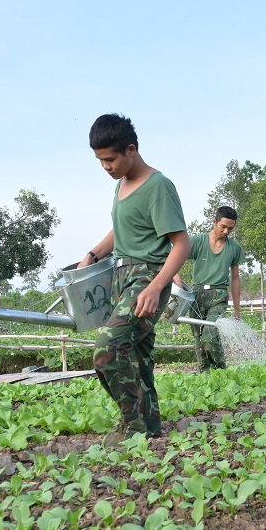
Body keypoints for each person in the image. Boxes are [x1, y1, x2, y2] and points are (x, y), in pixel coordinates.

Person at [80, 114, 190, 446]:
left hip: (147, 277)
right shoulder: (122, 185)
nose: (105, 167)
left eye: (110, 159)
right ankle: (151, 429)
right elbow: (123, 229)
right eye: (99, 160)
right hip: (122, 275)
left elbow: (181, 243)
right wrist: (94, 254)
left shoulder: (158, 186)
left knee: (108, 348)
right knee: (138, 356)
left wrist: (157, 287)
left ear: (131, 150)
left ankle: (132, 424)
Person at [176, 206, 244, 371]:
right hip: (196, 294)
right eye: (223, 226)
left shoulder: (234, 248)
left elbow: (235, 279)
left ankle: (221, 370)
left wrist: (237, 309)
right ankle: (205, 373)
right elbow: (175, 256)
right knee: (199, 338)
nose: (227, 231)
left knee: (209, 334)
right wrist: (176, 277)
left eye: (231, 228)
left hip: (218, 295)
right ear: (214, 222)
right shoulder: (198, 241)